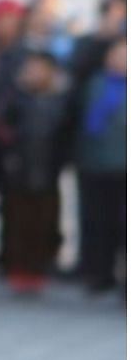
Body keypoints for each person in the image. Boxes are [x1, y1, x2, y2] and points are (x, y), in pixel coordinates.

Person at [0, 51, 70, 295]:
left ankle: (40, 269)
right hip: (17, 170)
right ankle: (16, 270)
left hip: (48, 171)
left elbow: (67, 132)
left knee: (44, 222)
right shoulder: (13, 97)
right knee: (17, 221)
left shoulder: (60, 99)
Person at [74, 35, 127, 295]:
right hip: (94, 163)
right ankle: (99, 274)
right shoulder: (94, 83)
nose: (120, 60)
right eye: (116, 54)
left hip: (124, 166)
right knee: (98, 223)